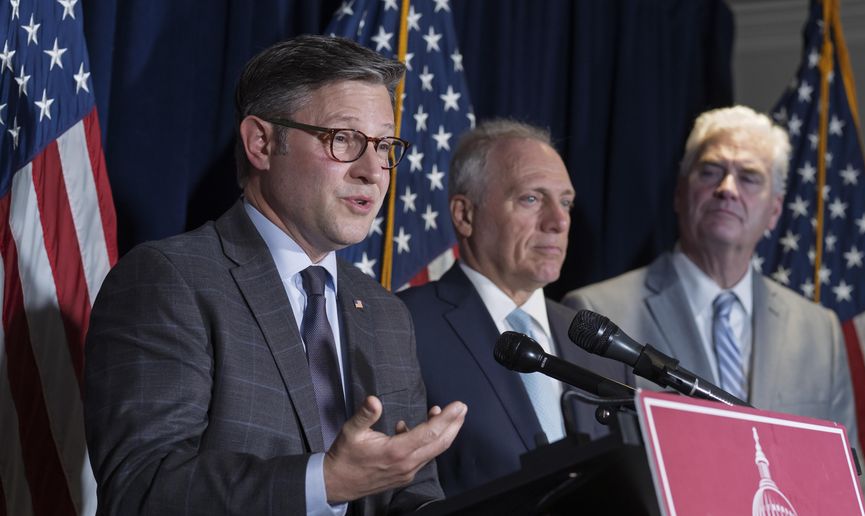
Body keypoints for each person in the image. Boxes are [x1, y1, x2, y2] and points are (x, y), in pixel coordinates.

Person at [84, 35, 466, 515]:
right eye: (343, 139)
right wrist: (323, 482)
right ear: (261, 143)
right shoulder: (169, 280)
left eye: (386, 144)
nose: (374, 170)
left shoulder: (386, 313)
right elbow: (142, 490)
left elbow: (411, 495)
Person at [563, 105, 856, 442]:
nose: (727, 188)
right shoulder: (599, 312)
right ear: (679, 192)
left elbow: (847, 477)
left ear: (774, 211)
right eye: (710, 171)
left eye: (748, 177)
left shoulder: (821, 332)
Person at [398, 119, 632, 496]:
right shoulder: (404, 326)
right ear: (465, 215)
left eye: (567, 202)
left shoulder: (604, 350)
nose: (558, 221)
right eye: (531, 199)